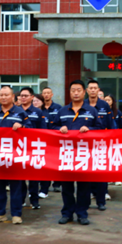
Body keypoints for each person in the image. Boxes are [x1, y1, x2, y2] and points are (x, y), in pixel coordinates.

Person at [50, 80, 104, 225]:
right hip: (66, 155)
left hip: (84, 155)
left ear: (84, 92)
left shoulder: (92, 111)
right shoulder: (62, 111)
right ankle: (67, 213)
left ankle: (82, 214)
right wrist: (59, 129)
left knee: (83, 187)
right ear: (69, 92)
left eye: (78, 90)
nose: (75, 93)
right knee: (66, 187)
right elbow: (52, 127)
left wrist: (90, 129)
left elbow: (100, 129)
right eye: (73, 90)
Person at [0, 86, 32, 224]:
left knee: (16, 187)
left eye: (6, 95)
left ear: (13, 97)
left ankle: (16, 214)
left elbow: (31, 129)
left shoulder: (20, 112)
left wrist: (22, 127)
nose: (3, 97)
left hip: (15, 155)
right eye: (1, 95)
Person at [18, 87, 47, 209]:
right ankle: (21, 199)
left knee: (33, 176)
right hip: (18, 148)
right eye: (21, 96)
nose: (23, 98)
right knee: (19, 176)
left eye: (26, 95)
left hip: (33, 147)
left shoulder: (38, 112)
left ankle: (34, 200)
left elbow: (43, 130)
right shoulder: (15, 111)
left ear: (32, 97)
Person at [87, 80, 114, 211]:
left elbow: (110, 124)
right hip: (86, 145)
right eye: (90, 88)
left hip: (102, 144)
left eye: (95, 88)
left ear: (98, 90)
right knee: (87, 174)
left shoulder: (104, 105)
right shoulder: (83, 104)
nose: (93, 90)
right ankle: (86, 201)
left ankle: (101, 201)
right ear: (87, 90)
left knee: (101, 173)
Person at [42, 87, 63, 195]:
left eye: (48, 93)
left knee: (56, 162)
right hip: (42, 140)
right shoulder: (39, 108)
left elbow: (61, 123)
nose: (46, 95)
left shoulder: (58, 108)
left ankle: (57, 184)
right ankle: (44, 186)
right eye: (44, 93)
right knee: (45, 164)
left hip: (56, 140)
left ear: (52, 94)